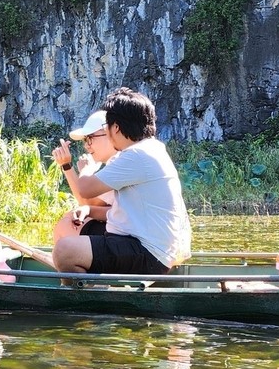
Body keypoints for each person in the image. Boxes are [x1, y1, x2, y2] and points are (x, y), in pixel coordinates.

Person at [50, 87, 191, 276]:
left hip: (148, 253)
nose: (87, 144)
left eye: (106, 127)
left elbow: (84, 190)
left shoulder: (136, 155)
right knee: (72, 233)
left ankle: (88, 291)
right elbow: (119, 211)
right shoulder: (149, 149)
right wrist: (90, 209)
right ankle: (90, 283)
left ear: (115, 127)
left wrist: (87, 169)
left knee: (64, 250)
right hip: (149, 248)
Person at [49, 109, 116, 243]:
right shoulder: (120, 160)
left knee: (64, 226)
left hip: (133, 239)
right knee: (72, 217)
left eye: (90, 138)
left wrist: (84, 171)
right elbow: (92, 203)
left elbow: (87, 202)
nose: (86, 145)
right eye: (85, 140)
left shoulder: (119, 163)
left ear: (109, 134)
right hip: (135, 233)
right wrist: (67, 165)